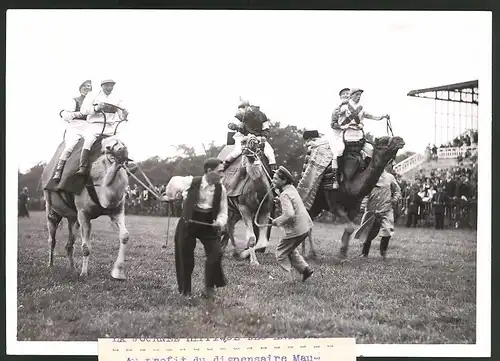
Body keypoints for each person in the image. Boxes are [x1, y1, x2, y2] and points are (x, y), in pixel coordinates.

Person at [161, 158, 228, 299]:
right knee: (185, 257)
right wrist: (170, 196)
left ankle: (209, 289)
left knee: (216, 253)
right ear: (209, 171)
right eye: (220, 172)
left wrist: (220, 222)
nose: (223, 175)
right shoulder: (191, 181)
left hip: (209, 224)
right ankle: (185, 291)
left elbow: (223, 212)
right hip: (188, 223)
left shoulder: (221, 188)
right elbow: (173, 181)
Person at [329, 88, 389, 189]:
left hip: (359, 136)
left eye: (360, 95)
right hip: (347, 136)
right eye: (357, 94)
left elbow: (370, 116)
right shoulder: (342, 108)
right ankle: (336, 178)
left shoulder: (361, 108)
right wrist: (341, 124)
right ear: (352, 96)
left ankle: (370, 174)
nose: (359, 97)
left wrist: (382, 117)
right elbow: (334, 123)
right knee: (338, 151)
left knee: (372, 151)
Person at [75, 79, 129, 176]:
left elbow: (121, 116)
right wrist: (96, 108)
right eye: (107, 85)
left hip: (110, 128)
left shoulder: (116, 98)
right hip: (94, 126)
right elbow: (83, 110)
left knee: (121, 144)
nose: (109, 88)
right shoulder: (92, 96)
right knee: (88, 141)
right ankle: (83, 167)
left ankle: (125, 166)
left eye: (111, 85)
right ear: (102, 86)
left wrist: (125, 114)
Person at [270, 166, 314, 281]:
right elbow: (293, 203)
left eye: (275, 179)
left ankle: (288, 279)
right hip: (305, 228)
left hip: (296, 230)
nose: (272, 181)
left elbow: (289, 214)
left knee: (281, 253)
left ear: (283, 181)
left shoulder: (284, 194)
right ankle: (305, 270)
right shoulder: (291, 189)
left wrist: (276, 221)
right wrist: (280, 202)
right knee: (290, 250)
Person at [52, 80, 93, 182]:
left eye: (89, 86)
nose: (87, 88)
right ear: (80, 88)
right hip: (75, 126)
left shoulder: (94, 101)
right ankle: (59, 170)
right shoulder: (74, 100)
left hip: (89, 125)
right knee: (70, 146)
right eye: (85, 86)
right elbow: (65, 115)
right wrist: (79, 114)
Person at [357, 165, 401, 260]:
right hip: (371, 210)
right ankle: (364, 253)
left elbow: (397, 190)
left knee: (387, 230)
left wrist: (395, 199)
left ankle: (383, 253)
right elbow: (366, 194)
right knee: (367, 231)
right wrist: (362, 205)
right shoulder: (370, 178)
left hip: (386, 209)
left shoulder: (389, 177)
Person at [223, 99, 277, 173]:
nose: (256, 109)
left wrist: (264, 136)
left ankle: (273, 173)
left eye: (257, 108)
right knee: (237, 151)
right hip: (245, 137)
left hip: (258, 138)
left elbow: (266, 128)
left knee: (270, 152)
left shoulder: (263, 115)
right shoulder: (242, 115)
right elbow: (230, 124)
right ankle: (225, 164)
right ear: (249, 106)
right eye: (254, 107)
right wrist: (235, 127)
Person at [327, 87, 351, 189]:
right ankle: (335, 178)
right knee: (338, 151)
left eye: (348, 94)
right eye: (344, 94)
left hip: (351, 133)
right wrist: (341, 127)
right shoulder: (337, 109)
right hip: (338, 135)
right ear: (340, 97)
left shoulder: (354, 108)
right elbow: (332, 124)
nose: (346, 95)